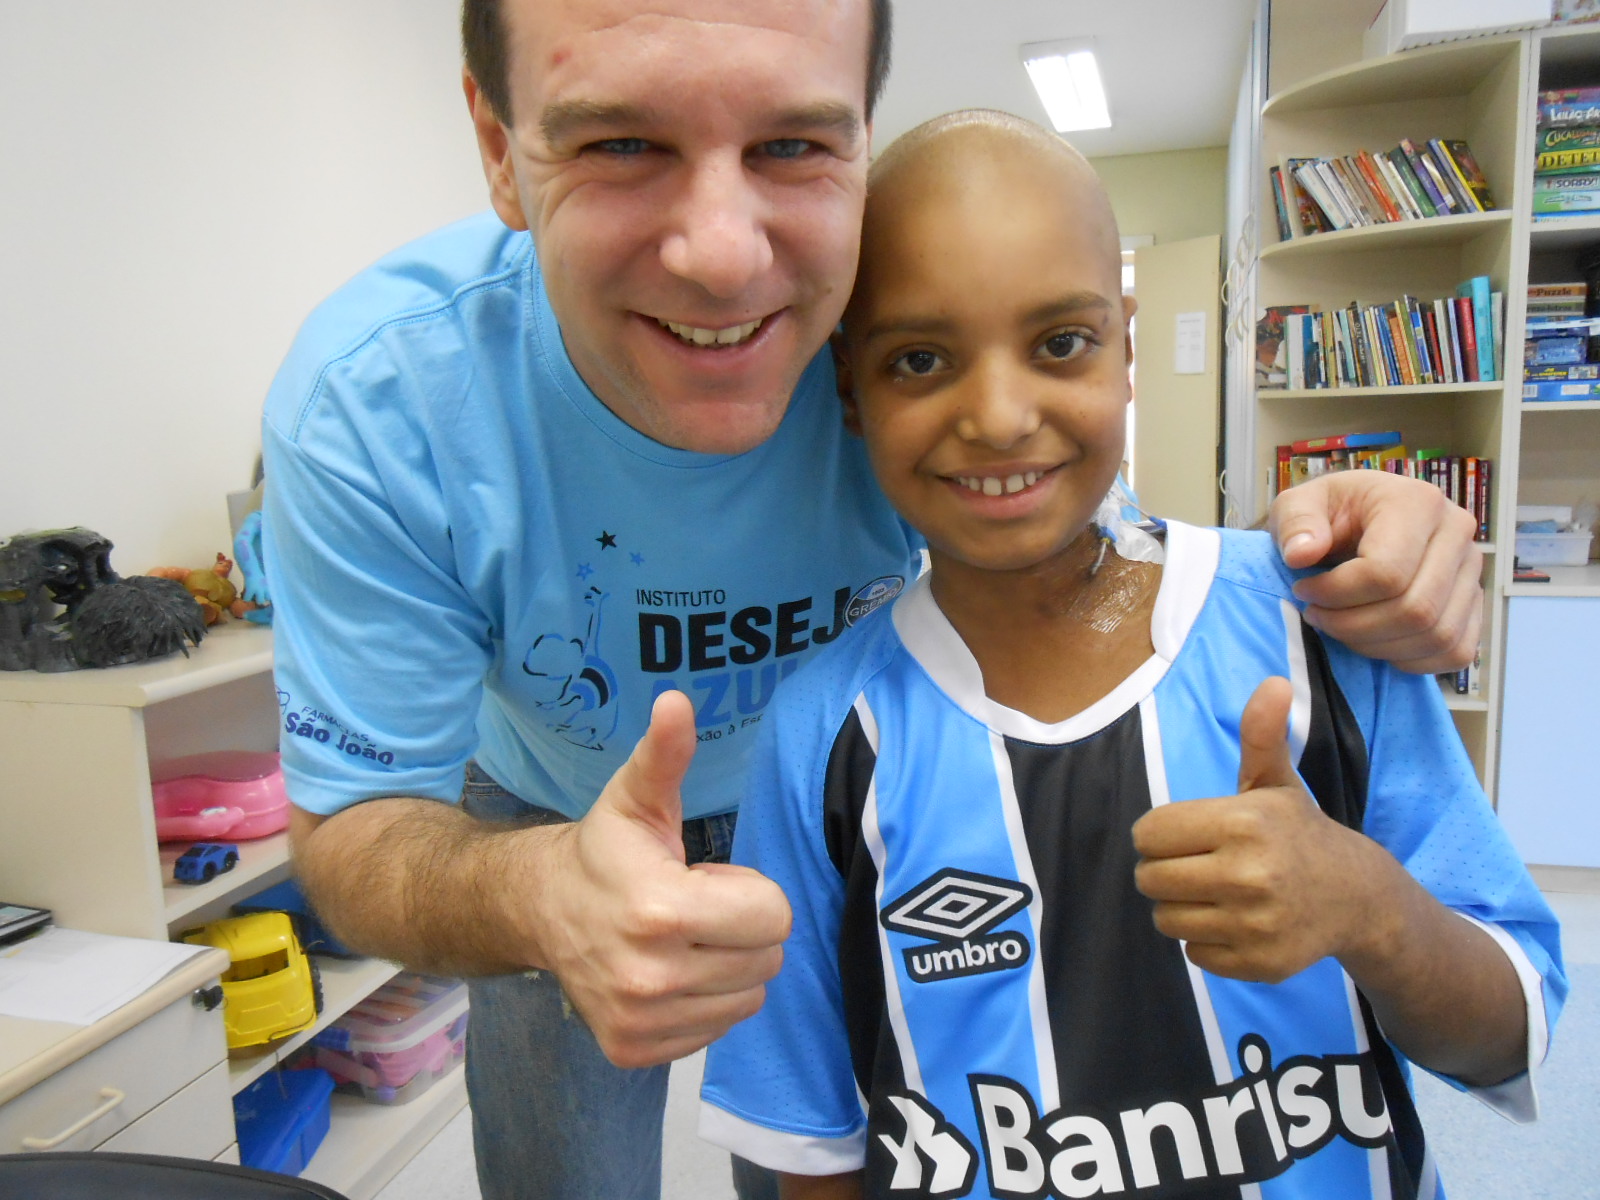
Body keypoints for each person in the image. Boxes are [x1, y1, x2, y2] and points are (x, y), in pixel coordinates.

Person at [261, 1, 1494, 1197]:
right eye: (619, 142)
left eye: (792, 143)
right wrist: (535, 893)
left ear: (857, 138)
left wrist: (1342, 517)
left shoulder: (901, 328)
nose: (723, 257)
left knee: (807, 1129)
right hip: (538, 805)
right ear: (497, 146)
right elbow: (360, 825)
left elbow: (1064, 489)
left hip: (836, 792)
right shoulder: (382, 407)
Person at [697, 111, 1565, 1200]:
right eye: (920, 359)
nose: (1001, 417)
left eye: (1060, 343)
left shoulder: (1318, 635)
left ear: (1125, 345)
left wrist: (1369, 907)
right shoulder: (825, 736)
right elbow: (808, 1138)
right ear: (848, 390)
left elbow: (1506, 1030)